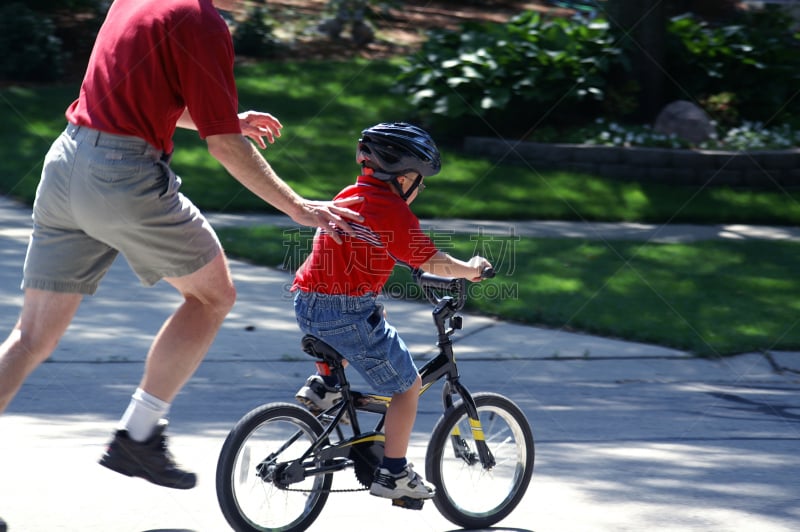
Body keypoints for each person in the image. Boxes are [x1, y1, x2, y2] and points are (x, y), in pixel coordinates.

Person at [0, 0, 362, 496]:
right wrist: (298, 206)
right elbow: (225, 148)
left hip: (67, 160)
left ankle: (139, 437)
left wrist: (225, 117)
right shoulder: (201, 20)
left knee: (30, 337)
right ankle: (140, 434)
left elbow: (145, 94)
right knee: (213, 295)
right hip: (122, 175)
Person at [292, 122, 492, 501]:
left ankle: (326, 386)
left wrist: (412, 266)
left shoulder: (353, 193)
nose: (420, 187)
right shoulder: (391, 209)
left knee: (373, 318)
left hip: (308, 301)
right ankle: (394, 473)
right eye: (420, 179)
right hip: (344, 311)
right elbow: (436, 261)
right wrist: (472, 269)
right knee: (408, 387)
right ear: (402, 178)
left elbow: (377, 247)